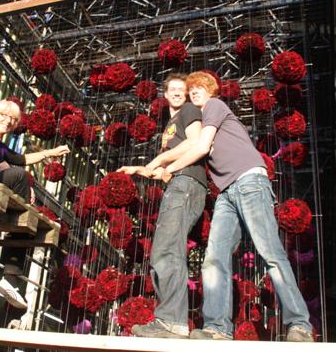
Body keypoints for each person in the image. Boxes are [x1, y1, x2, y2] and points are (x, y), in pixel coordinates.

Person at [149, 71, 314, 342]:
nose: (195, 92)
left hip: (249, 180)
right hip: (226, 192)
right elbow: (191, 145)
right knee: (214, 258)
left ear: (211, 91)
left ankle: (299, 325)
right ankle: (217, 328)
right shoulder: (199, 121)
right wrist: (159, 166)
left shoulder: (214, 106)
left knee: (270, 252)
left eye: (201, 87)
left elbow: (201, 147)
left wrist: (166, 168)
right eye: (192, 90)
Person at [0, 99, 70, 309]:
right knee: (20, 178)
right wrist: (22, 182)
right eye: (4, 115)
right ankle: (10, 273)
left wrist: (50, 153)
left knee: (21, 203)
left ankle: (11, 277)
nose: (8, 121)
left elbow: (21, 158)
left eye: (13, 119)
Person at [118, 73, 207, 338]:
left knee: (167, 251)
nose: (178, 92)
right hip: (178, 183)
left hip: (186, 183)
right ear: (165, 95)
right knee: (164, 251)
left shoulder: (189, 111)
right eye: (173, 89)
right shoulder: (170, 125)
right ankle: (171, 320)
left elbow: (196, 143)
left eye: (182, 89)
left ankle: (172, 322)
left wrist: (158, 160)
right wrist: (139, 169)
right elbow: (164, 170)